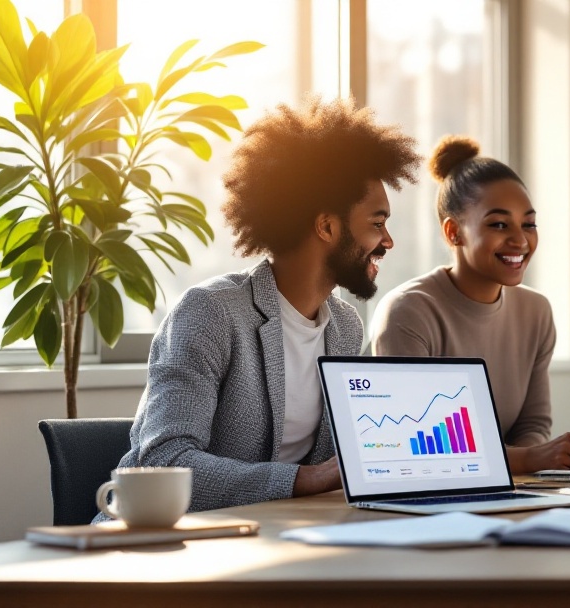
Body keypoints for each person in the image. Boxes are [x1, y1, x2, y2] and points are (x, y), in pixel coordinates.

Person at [101, 98, 421, 516]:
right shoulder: (211, 313)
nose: (389, 241)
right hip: (176, 539)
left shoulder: (343, 326)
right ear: (327, 226)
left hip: (279, 531)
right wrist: (303, 479)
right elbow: (164, 460)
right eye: (377, 224)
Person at [368, 136, 570, 473]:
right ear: (453, 232)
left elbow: (532, 426)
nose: (520, 240)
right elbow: (414, 444)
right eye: (498, 224)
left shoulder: (535, 311)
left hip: (506, 486)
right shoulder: (409, 311)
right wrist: (528, 460)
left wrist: (525, 467)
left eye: (529, 224)